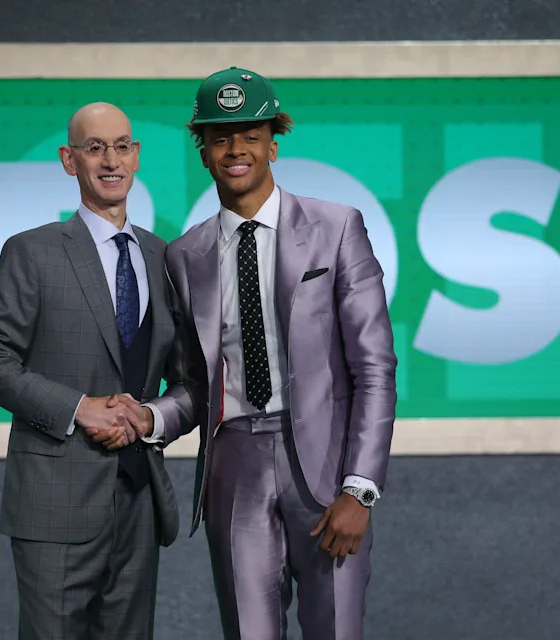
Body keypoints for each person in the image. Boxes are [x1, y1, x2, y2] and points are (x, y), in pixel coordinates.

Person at [116, 67, 398, 639]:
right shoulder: (185, 255)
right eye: (220, 137)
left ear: (274, 141)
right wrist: (151, 418)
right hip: (233, 465)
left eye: (250, 133)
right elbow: (195, 384)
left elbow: (374, 368)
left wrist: (360, 487)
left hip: (325, 467)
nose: (236, 149)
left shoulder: (337, 227)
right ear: (203, 151)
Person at [0, 102, 178, 640]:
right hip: (54, 502)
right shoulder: (32, 253)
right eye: (94, 147)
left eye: (122, 146)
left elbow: (193, 383)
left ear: (137, 156)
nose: (111, 160)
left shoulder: (164, 258)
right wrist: (79, 408)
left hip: (138, 502)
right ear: (69, 160)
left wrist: (151, 418)